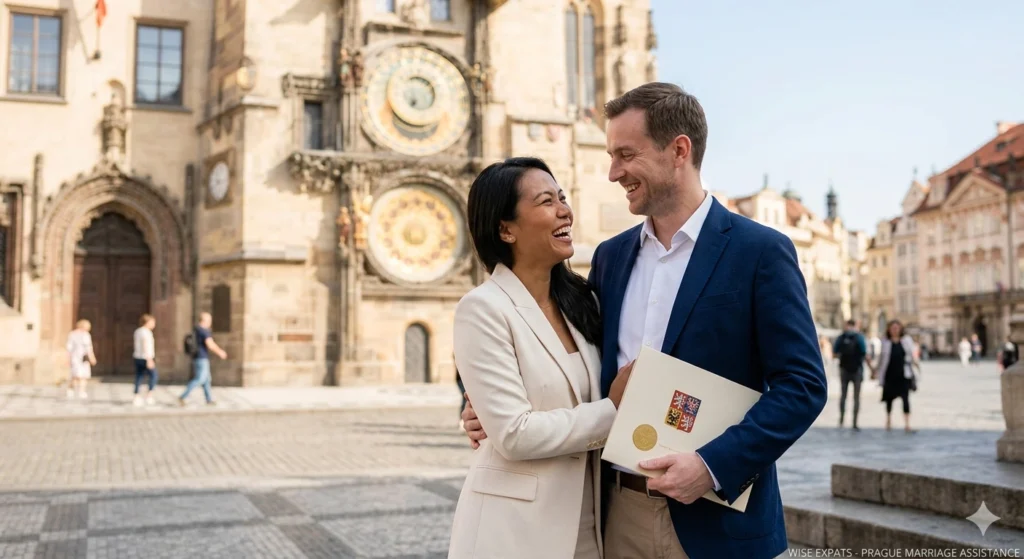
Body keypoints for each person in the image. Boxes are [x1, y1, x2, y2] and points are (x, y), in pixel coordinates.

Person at [462, 83, 828, 558]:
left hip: (716, 519)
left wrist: (711, 465)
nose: (613, 172)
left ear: (679, 150)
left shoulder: (760, 251)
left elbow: (802, 386)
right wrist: (481, 407)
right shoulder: (610, 259)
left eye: (626, 155)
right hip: (617, 515)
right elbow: (565, 358)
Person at [448, 157, 633, 559]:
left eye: (563, 197)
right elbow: (513, 434)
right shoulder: (482, 308)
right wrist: (614, 410)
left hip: (590, 523)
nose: (564, 209)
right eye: (546, 201)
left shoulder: (584, 301)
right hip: (514, 531)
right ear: (505, 229)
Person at [869, 319, 918, 433]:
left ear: (900, 329)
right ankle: (888, 421)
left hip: (904, 374)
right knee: (888, 399)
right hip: (890, 374)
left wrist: (916, 366)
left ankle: (907, 424)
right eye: (893, 328)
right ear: (889, 330)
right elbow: (881, 358)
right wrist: (875, 370)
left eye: (897, 328)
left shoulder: (906, 340)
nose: (895, 330)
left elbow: (912, 355)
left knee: (906, 399)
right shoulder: (885, 342)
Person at [178, 312, 227, 406]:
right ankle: (183, 396)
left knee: (207, 379)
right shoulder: (204, 331)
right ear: (205, 320)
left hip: (197, 356)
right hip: (202, 357)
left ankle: (208, 399)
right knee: (200, 379)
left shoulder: (196, 329)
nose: (210, 323)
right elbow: (210, 344)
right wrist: (220, 352)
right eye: (209, 321)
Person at [832, 319, 867, 430]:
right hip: (857, 370)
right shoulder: (859, 337)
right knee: (856, 397)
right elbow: (864, 352)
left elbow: (834, 353)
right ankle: (854, 422)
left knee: (843, 396)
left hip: (844, 369)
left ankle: (841, 420)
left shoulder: (841, 337)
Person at [66, 319, 97, 399]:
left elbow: (88, 348)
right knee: (76, 375)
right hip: (76, 357)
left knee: (81, 375)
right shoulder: (75, 334)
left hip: (82, 357)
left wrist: (91, 357)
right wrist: (68, 358)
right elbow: (70, 347)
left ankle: (80, 391)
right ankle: (72, 389)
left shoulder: (84, 335)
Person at [132, 313, 158, 406]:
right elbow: (145, 345)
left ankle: (136, 396)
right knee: (154, 376)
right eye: (153, 322)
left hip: (137, 356)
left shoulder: (137, 331)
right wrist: (149, 359)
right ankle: (149, 395)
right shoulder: (146, 332)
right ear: (147, 322)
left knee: (139, 376)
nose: (154, 324)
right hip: (145, 357)